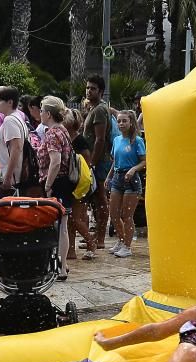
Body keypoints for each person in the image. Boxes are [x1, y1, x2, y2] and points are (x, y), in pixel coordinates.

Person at [37, 96, 77, 279]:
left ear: (48, 114)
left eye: (42, 110)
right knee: (63, 225)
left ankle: (60, 267)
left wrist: (47, 184)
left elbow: (55, 161)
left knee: (59, 226)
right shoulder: (63, 131)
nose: (40, 113)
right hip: (65, 183)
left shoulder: (52, 133)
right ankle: (63, 264)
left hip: (56, 183)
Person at [105, 110, 146, 258]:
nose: (121, 123)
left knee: (126, 215)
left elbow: (144, 161)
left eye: (124, 121)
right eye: (119, 121)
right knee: (114, 213)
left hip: (132, 180)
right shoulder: (116, 140)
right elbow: (115, 160)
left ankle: (127, 246)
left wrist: (133, 169)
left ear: (131, 122)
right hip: (117, 177)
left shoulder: (137, 141)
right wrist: (109, 177)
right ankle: (121, 240)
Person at [82, 75, 113, 253]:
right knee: (95, 200)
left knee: (101, 199)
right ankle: (94, 236)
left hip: (99, 162)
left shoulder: (100, 110)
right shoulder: (94, 109)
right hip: (94, 160)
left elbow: (100, 139)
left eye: (92, 88)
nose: (89, 91)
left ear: (100, 91)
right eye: (87, 88)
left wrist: (93, 161)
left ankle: (100, 238)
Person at [62, 109, 97, 260]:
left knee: (75, 218)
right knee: (70, 218)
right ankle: (71, 250)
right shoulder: (66, 138)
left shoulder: (80, 140)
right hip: (71, 182)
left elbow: (86, 163)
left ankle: (91, 242)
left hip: (79, 183)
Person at [0, 85, 29, 198]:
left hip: (12, 178)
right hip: (15, 175)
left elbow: (16, 148)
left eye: (0, 100)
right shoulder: (17, 117)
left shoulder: (10, 120)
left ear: (10, 102)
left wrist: (7, 178)